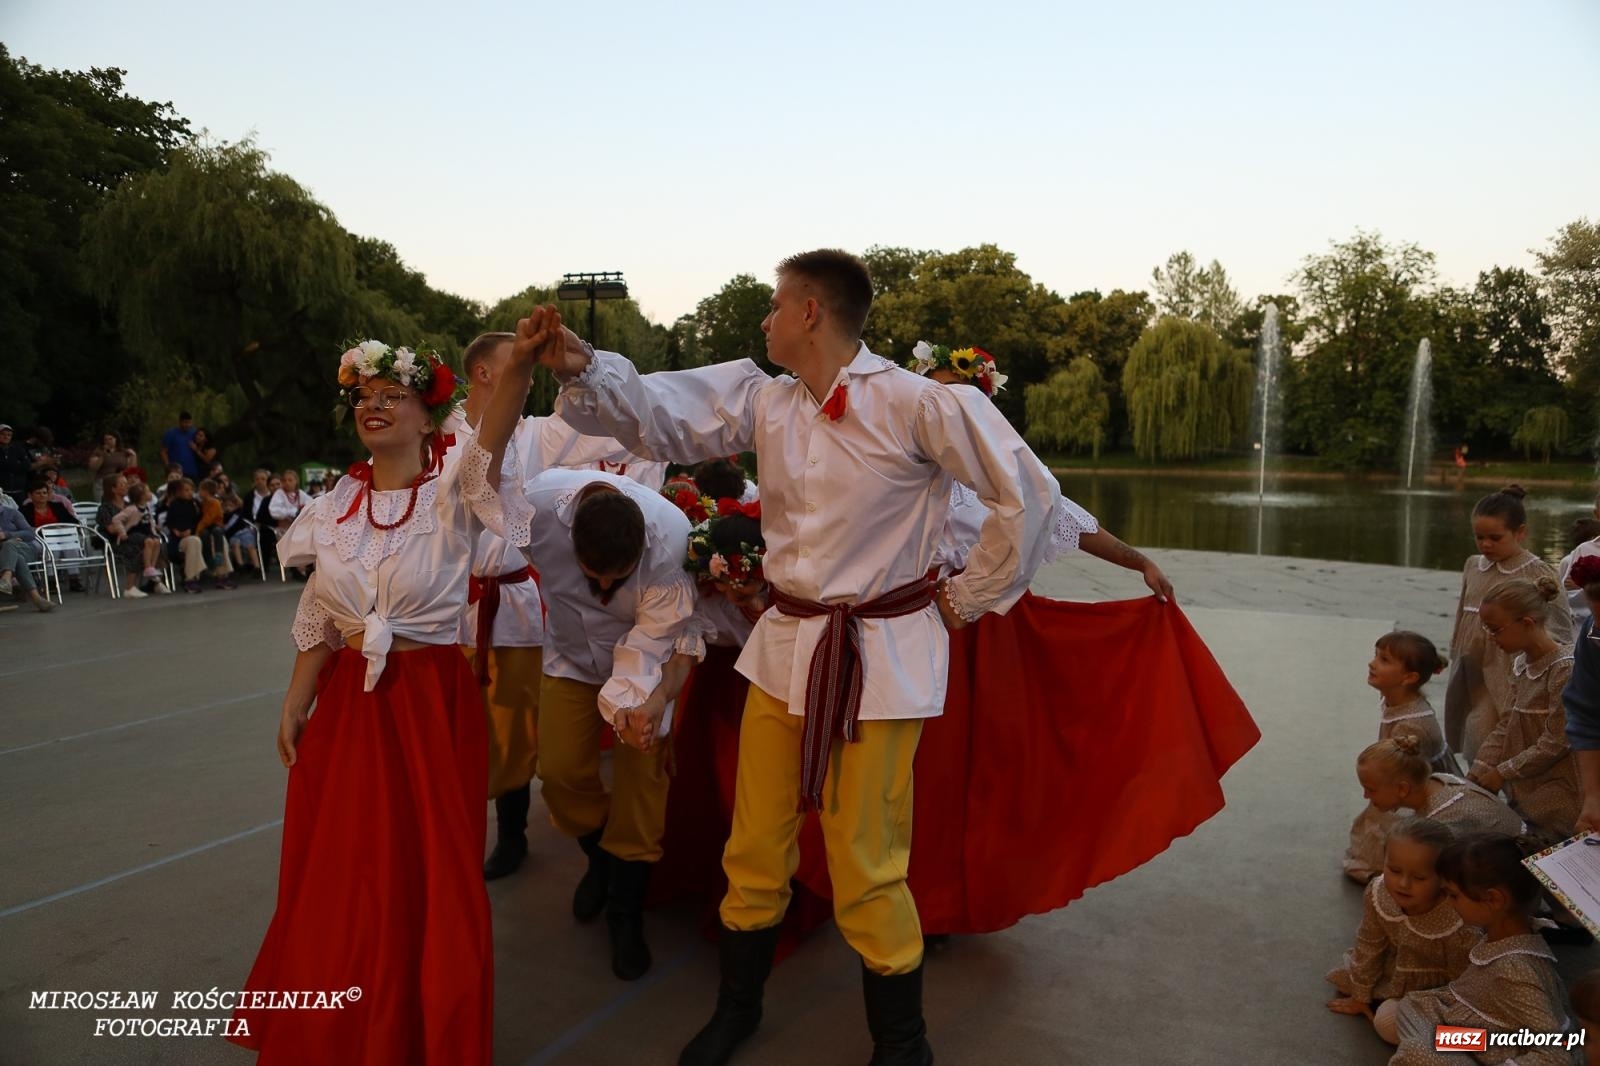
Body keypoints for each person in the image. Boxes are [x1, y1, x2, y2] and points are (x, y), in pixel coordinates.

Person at [540, 249, 1064, 1064]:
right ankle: (738, 1008)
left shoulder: (915, 403)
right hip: (784, 651)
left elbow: (1026, 491)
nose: (766, 319)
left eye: (777, 305)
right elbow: (661, 416)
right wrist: (584, 363)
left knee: (866, 859)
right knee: (752, 847)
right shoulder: (767, 401)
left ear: (812, 312)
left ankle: (902, 1041)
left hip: (879, 662)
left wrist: (966, 598)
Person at [229, 320, 552, 1065]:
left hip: (429, 702)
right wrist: (296, 697)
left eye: (391, 395)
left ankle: (416, 1030)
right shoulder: (337, 501)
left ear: (425, 411)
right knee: (341, 869)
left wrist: (521, 372)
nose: (372, 407)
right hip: (349, 705)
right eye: (362, 397)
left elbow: (493, 438)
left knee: (425, 873)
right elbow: (320, 605)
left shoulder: (452, 492)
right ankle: (339, 1025)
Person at [456, 330, 662, 883]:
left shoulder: (537, 433)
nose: (528, 376)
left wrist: (588, 378)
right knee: (474, 732)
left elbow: (619, 431)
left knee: (520, 727)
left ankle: (527, 837)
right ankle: (482, 830)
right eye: (517, 366)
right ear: (482, 374)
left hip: (518, 596)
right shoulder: (442, 434)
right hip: (455, 605)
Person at [504, 465, 695, 979]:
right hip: (567, 658)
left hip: (643, 667)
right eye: (594, 575)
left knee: (642, 787)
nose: (606, 585)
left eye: (619, 575)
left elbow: (650, 641)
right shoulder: (536, 510)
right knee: (560, 772)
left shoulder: (670, 536)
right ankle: (600, 859)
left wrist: (641, 709)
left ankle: (625, 910)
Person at [1388, 834, 1578, 1065]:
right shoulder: (1505, 937)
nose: (1448, 903)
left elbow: (1556, 1054)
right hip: (1487, 1036)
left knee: (1415, 1048)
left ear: (1493, 899)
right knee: (1408, 1008)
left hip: (1504, 1046)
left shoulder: (1515, 970)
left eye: (1453, 895)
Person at [1444, 486, 1571, 763]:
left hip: (1511, 665)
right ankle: (1482, 786)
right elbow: (1462, 614)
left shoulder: (1535, 570)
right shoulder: (1473, 565)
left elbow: (1561, 626)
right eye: (1479, 537)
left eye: (1495, 538)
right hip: (1474, 665)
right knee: (1476, 733)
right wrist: (1456, 651)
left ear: (1520, 532)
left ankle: (1509, 785)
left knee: (1513, 731)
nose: (1486, 544)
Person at [1326, 819, 1477, 1045]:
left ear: (1444, 879)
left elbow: (1463, 980)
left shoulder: (1457, 919)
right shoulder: (1379, 893)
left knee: (1386, 1023)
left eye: (1419, 878)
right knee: (1349, 981)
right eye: (1394, 870)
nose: (1403, 884)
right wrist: (1360, 996)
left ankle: (1472, 1042)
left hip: (1439, 991)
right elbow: (1369, 944)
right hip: (1395, 973)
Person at [1470, 578, 1578, 839]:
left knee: (1550, 857)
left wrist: (1502, 772)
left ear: (1527, 623)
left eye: (1495, 629)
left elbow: (1556, 741)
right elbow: (1507, 724)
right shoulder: (1521, 663)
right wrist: (1480, 768)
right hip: (1524, 786)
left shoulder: (1564, 668)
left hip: (1560, 792)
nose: (1490, 637)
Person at [1346, 632, 1455, 882]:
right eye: (1376, 656)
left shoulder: (1411, 726)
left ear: (1409, 678)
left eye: (1384, 660)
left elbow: (1406, 777)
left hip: (1412, 784)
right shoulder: (1396, 700)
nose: (1372, 663)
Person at [1356, 736, 1523, 838]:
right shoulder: (1440, 780)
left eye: (1371, 789)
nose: (1365, 796)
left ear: (1403, 789)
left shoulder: (1438, 827)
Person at [99, 479, 169, 597]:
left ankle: (155, 581)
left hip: (142, 536)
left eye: (126, 483)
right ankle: (130, 587)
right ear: (112, 489)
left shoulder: (137, 505)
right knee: (140, 548)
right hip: (122, 539)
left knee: (158, 544)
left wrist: (154, 530)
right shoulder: (107, 508)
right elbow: (112, 527)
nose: (126, 486)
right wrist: (123, 531)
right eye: (122, 484)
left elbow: (149, 520)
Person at [0, 501, 52, 611]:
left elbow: (30, 533)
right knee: (18, 558)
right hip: (5, 554)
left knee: (10, 545)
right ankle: (37, 598)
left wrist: (7, 535)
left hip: (23, 548)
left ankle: (6, 578)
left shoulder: (12, 513)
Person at [196, 478, 238, 590]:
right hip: (207, 527)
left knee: (217, 532)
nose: (198, 492)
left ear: (206, 491)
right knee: (205, 534)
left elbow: (209, 518)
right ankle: (209, 557)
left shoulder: (214, 502)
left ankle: (218, 556)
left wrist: (198, 529)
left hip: (216, 525)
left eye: (200, 490)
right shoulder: (202, 503)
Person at [270, 470, 309, 578]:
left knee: (308, 538)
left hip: (299, 527)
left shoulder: (301, 494)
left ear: (296, 481)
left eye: (290, 480)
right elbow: (273, 510)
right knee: (293, 539)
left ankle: (305, 567)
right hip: (284, 528)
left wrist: (301, 512)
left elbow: (310, 505)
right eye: (284, 480)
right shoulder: (279, 494)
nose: (287, 482)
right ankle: (298, 568)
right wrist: (291, 512)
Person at [87, 432, 139, 499]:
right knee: (104, 504)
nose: (108, 441)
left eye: (110, 439)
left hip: (120, 482)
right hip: (103, 483)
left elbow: (131, 470)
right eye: (106, 439)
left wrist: (134, 456)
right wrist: (103, 455)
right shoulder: (98, 451)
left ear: (116, 439)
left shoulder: (122, 452)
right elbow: (93, 468)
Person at [221, 491, 261, 575]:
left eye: (230, 506)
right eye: (225, 506)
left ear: (235, 506)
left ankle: (257, 567)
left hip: (244, 532)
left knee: (250, 546)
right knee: (235, 545)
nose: (228, 508)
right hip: (233, 535)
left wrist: (234, 496)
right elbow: (226, 528)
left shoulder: (238, 512)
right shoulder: (223, 517)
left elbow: (240, 503)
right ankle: (240, 565)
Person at [160, 412, 200, 479]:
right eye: (185, 422)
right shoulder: (170, 433)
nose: (187, 425)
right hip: (176, 471)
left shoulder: (195, 433)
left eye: (189, 422)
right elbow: (163, 451)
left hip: (192, 471)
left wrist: (196, 448)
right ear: (180, 422)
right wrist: (168, 466)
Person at [0, 423, 33, 498]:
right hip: (1, 493)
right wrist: (17, 465)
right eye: (3, 434)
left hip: (19, 492)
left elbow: (27, 465)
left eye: (9, 435)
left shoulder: (18, 449)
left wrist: (8, 465)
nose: (6, 437)